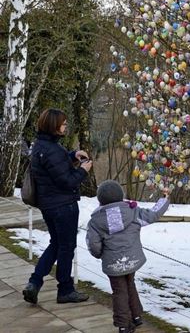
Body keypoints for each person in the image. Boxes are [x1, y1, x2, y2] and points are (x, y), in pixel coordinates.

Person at [23, 108, 92, 305]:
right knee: (66, 247)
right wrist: (84, 171)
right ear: (53, 126)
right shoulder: (51, 149)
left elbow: (54, 167)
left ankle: (34, 283)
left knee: (56, 244)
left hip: (48, 206)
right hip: (63, 206)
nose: (65, 126)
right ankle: (65, 290)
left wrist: (72, 155)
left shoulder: (41, 146)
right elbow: (67, 181)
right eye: (63, 123)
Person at [86, 180, 169, 333]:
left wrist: (98, 254)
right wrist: (164, 198)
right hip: (132, 260)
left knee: (119, 291)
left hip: (113, 263)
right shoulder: (133, 212)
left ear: (100, 199)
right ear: (121, 195)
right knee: (130, 285)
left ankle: (123, 324)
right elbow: (153, 214)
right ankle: (136, 316)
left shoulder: (96, 221)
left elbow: (93, 244)